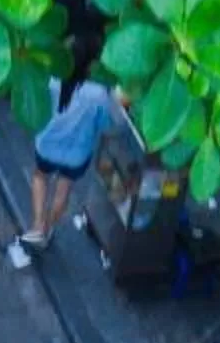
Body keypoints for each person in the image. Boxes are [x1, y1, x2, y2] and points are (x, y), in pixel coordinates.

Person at [8, 74, 131, 267]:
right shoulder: (100, 94)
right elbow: (107, 123)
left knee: (40, 176)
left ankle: (37, 225)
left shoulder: (54, 79)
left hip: (48, 143)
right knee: (63, 189)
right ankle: (47, 228)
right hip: (78, 153)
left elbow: (39, 103)